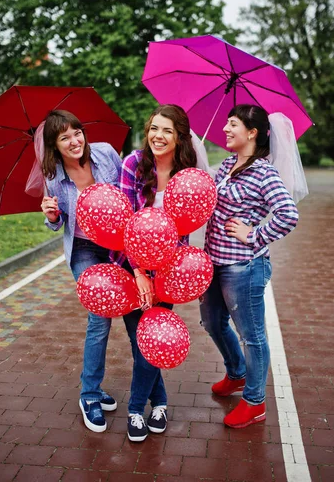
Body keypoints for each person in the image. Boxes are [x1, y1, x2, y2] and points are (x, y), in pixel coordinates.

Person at [200, 104, 300, 429]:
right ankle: (237, 373)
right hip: (214, 262)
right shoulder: (228, 164)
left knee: (253, 336)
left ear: (252, 132)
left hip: (244, 267)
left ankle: (255, 402)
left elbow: (288, 214)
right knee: (212, 322)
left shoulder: (264, 172)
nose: (226, 130)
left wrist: (253, 234)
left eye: (232, 125)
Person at [116, 104, 197, 442]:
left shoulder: (186, 173)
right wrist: (138, 272)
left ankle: (138, 409)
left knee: (153, 342)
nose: (158, 136)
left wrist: (165, 275)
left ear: (179, 138)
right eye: (154, 128)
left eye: (167, 131)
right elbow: (122, 222)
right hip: (129, 269)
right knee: (141, 344)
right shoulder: (133, 164)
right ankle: (155, 404)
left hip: (167, 275)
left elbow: (185, 231)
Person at [39, 109, 122, 433]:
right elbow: (57, 223)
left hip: (117, 245)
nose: (75, 141)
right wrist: (50, 215)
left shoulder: (105, 153)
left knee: (127, 317)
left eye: (77, 132)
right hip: (85, 250)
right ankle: (89, 395)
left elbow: (126, 193)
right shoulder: (53, 177)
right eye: (64, 137)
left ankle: (96, 387)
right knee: (100, 318)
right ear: (55, 145)